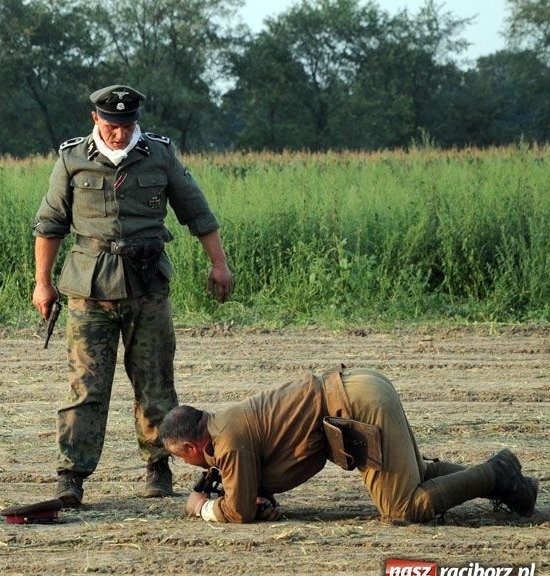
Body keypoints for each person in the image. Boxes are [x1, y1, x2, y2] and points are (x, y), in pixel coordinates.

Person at [32, 84, 234, 506]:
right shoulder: (71, 158)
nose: (120, 133)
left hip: (147, 287)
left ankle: (158, 466)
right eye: (111, 125)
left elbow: (197, 212)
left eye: (126, 125)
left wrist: (219, 263)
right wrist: (43, 282)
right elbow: (50, 224)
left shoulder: (159, 154)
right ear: (95, 120)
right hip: (89, 290)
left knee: (156, 384)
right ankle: (72, 474)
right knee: (86, 387)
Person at [159, 366, 539, 523]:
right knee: (417, 475)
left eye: (182, 458)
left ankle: (495, 473)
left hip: (357, 403)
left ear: (192, 447)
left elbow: (238, 513)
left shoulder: (228, 441)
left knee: (401, 507)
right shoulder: (225, 425)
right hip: (361, 386)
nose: (190, 465)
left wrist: (202, 507)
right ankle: (512, 486)